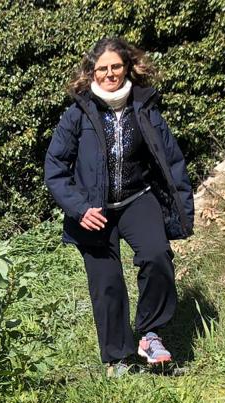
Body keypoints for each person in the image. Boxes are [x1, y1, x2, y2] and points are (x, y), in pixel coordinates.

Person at [44, 37, 194, 376]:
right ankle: (119, 359)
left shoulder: (145, 107)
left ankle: (151, 334)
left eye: (115, 66)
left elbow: (171, 161)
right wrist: (80, 209)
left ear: (126, 67)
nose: (109, 74)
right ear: (91, 73)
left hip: (137, 198)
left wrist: (182, 209)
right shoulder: (78, 113)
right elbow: (55, 168)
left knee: (157, 256)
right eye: (102, 69)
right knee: (106, 281)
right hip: (93, 210)